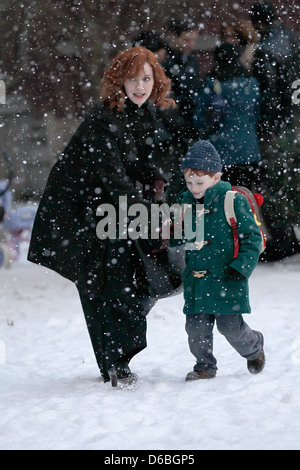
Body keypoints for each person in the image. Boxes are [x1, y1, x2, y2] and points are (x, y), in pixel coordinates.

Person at [27, 47, 191, 387]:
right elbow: (113, 180)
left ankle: (115, 358)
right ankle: (114, 363)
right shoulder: (103, 121)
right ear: (119, 81)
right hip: (77, 214)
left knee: (124, 279)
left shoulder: (144, 114)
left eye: (146, 78)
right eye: (132, 78)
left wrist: (159, 183)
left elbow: (140, 164)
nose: (140, 86)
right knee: (106, 280)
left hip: (108, 209)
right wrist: (153, 215)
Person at [170, 139, 265, 380]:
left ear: (216, 177)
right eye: (189, 181)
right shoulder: (185, 201)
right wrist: (167, 236)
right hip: (197, 278)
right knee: (196, 329)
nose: (194, 187)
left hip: (228, 277)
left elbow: (252, 238)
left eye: (199, 182)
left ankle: (254, 347)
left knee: (230, 327)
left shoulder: (233, 200)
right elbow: (180, 233)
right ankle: (204, 367)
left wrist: (241, 267)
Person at [249, 1, 300, 260]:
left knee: (274, 184)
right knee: (290, 181)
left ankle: (282, 240)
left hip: (278, 126)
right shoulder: (292, 39)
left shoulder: (266, 50)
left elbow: (268, 94)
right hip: (294, 120)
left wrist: (265, 124)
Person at [193, 43, 262, 189]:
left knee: (222, 200)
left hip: (220, 150)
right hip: (248, 148)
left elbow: (200, 118)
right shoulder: (252, 83)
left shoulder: (213, 84)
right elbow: (256, 115)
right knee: (246, 196)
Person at [164, 19, 200, 137]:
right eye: (186, 40)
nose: (191, 44)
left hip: (186, 122)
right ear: (174, 37)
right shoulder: (165, 60)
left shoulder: (191, 59)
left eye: (193, 40)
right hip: (171, 125)